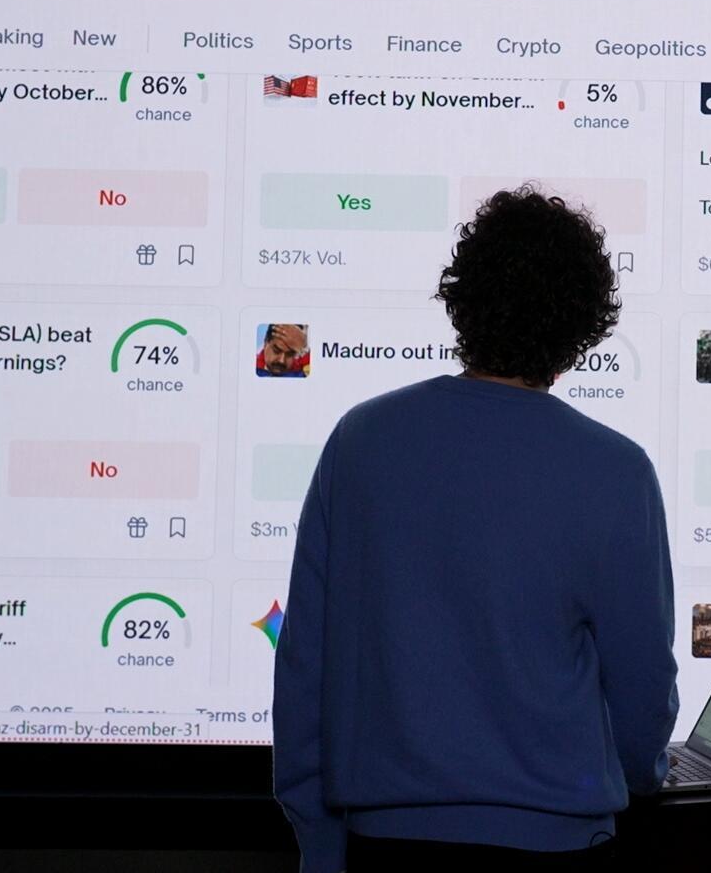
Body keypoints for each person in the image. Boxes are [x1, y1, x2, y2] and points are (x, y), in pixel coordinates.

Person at [275, 186, 679, 873]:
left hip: (385, 844)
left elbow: (305, 663)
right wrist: (646, 773)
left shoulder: (362, 440)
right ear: (584, 323)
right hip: (557, 844)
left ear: (463, 299)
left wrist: (318, 842)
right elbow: (641, 688)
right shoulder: (616, 470)